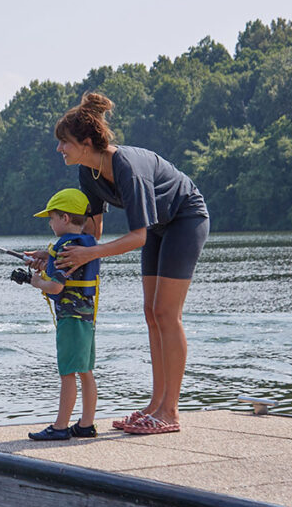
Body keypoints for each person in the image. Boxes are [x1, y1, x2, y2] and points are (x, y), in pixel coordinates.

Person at [37, 92, 209, 435]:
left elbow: (137, 237)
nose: (60, 150)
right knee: (150, 311)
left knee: (165, 313)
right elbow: (92, 232)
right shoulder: (89, 173)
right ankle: (156, 403)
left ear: (86, 142)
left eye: (64, 143)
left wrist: (89, 254)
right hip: (159, 227)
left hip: (185, 219)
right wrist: (54, 254)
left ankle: (170, 411)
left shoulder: (127, 168)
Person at [18, 189, 100, 441]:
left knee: (67, 372)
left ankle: (61, 426)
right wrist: (47, 261)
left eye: (51, 218)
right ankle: (86, 425)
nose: (49, 223)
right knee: (85, 370)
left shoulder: (64, 248)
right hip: (86, 318)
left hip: (70, 320)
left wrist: (34, 281)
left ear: (64, 218)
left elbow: (55, 287)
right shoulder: (85, 244)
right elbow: (65, 274)